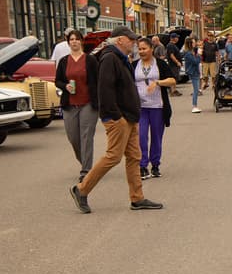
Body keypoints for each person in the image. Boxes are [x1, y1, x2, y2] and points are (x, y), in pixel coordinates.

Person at [68, 25, 163, 213]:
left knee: (134, 157)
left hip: (129, 117)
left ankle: (137, 198)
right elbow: (105, 91)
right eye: (131, 40)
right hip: (118, 118)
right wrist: (115, 117)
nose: (134, 43)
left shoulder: (120, 58)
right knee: (113, 156)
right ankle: (81, 189)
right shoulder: (110, 58)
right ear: (120, 40)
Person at [55, 29, 98, 183]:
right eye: (71, 39)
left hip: (88, 103)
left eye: (76, 39)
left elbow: (97, 81)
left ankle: (86, 170)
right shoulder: (64, 61)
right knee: (73, 138)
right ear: (68, 42)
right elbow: (57, 81)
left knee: (86, 138)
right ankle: (85, 162)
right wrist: (65, 86)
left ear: (81, 41)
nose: (74, 41)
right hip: (70, 104)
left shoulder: (90, 60)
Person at [133, 37, 175, 180]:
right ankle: (143, 166)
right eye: (139, 49)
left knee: (157, 137)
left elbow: (172, 80)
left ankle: (155, 165)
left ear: (151, 49)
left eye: (144, 48)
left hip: (158, 107)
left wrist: (157, 82)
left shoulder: (161, 64)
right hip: (141, 108)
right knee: (141, 137)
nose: (141, 51)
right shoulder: (134, 65)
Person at [183, 37, 202, 113]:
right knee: (196, 90)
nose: (195, 44)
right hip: (193, 72)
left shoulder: (191, 52)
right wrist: (198, 55)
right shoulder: (188, 53)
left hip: (195, 72)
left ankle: (195, 105)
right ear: (190, 44)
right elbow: (195, 61)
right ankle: (194, 106)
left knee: (196, 90)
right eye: (193, 42)